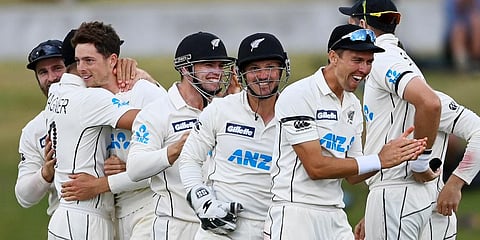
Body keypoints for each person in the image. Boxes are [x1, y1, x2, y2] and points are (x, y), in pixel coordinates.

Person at [263, 23, 426, 240]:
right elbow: (316, 167)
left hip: (335, 214)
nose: (364, 69)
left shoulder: (352, 104)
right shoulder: (299, 94)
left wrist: (396, 155)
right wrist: (379, 160)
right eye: (357, 60)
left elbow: (352, 174)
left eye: (369, 62)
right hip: (295, 213)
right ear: (333, 57)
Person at [338, 0, 443, 239]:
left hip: (397, 192)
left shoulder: (382, 57)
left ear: (363, 25)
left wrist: (420, 163)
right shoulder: (397, 55)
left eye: (351, 25)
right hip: (400, 195)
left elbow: (430, 103)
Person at [56, 22, 167, 240]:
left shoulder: (142, 89)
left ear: (113, 60)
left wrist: (132, 168)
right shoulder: (89, 102)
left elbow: (171, 157)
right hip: (116, 212)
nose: (82, 69)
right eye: (78, 61)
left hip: (151, 207)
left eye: (89, 61)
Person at [176, 32, 290, 239]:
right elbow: (190, 158)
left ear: (283, 69)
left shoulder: (294, 114)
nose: (263, 76)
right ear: (241, 74)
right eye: (255, 69)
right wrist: (203, 200)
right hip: (222, 226)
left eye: (271, 67)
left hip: (273, 226)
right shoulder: (220, 109)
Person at [126, 31, 236, 239]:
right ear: (185, 68)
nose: (217, 72)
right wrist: (175, 149)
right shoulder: (157, 112)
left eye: (221, 66)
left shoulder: (223, 109)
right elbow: (135, 168)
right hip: (176, 226)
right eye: (208, 65)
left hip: (220, 227)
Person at [352, 91, 480, 240]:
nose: (363, 70)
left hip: (433, 210)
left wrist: (455, 183)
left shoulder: (432, 101)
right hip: (397, 206)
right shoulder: (386, 107)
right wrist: (376, 213)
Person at [15, 39, 66, 217]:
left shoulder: (100, 108)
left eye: (57, 68)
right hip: (63, 223)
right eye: (43, 72)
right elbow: (23, 196)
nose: (51, 78)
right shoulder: (34, 130)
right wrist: (45, 174)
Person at [444, 0, 480, 72]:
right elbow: (453, 26)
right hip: (453, 42)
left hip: (473, 39)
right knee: (459, 30)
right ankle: (462, 64)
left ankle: (476, 61)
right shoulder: (451, 3)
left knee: (476, 24)